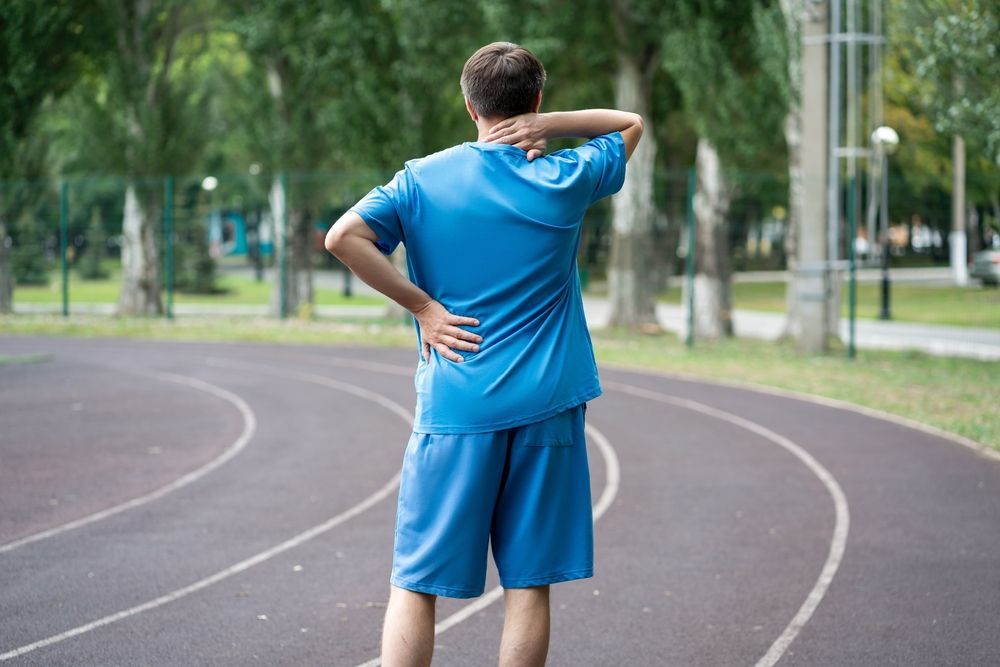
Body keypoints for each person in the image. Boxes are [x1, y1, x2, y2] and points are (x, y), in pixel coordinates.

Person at [325, 41, 643, 667]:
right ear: (537, 101)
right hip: (548, 405)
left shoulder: (423, 178)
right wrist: (551, 127)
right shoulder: (566, 176)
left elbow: (343, 237)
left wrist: (423, 307)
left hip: (457, 401)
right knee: (527, 585)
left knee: (418, 583)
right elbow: (630, 123)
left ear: (468, 104)